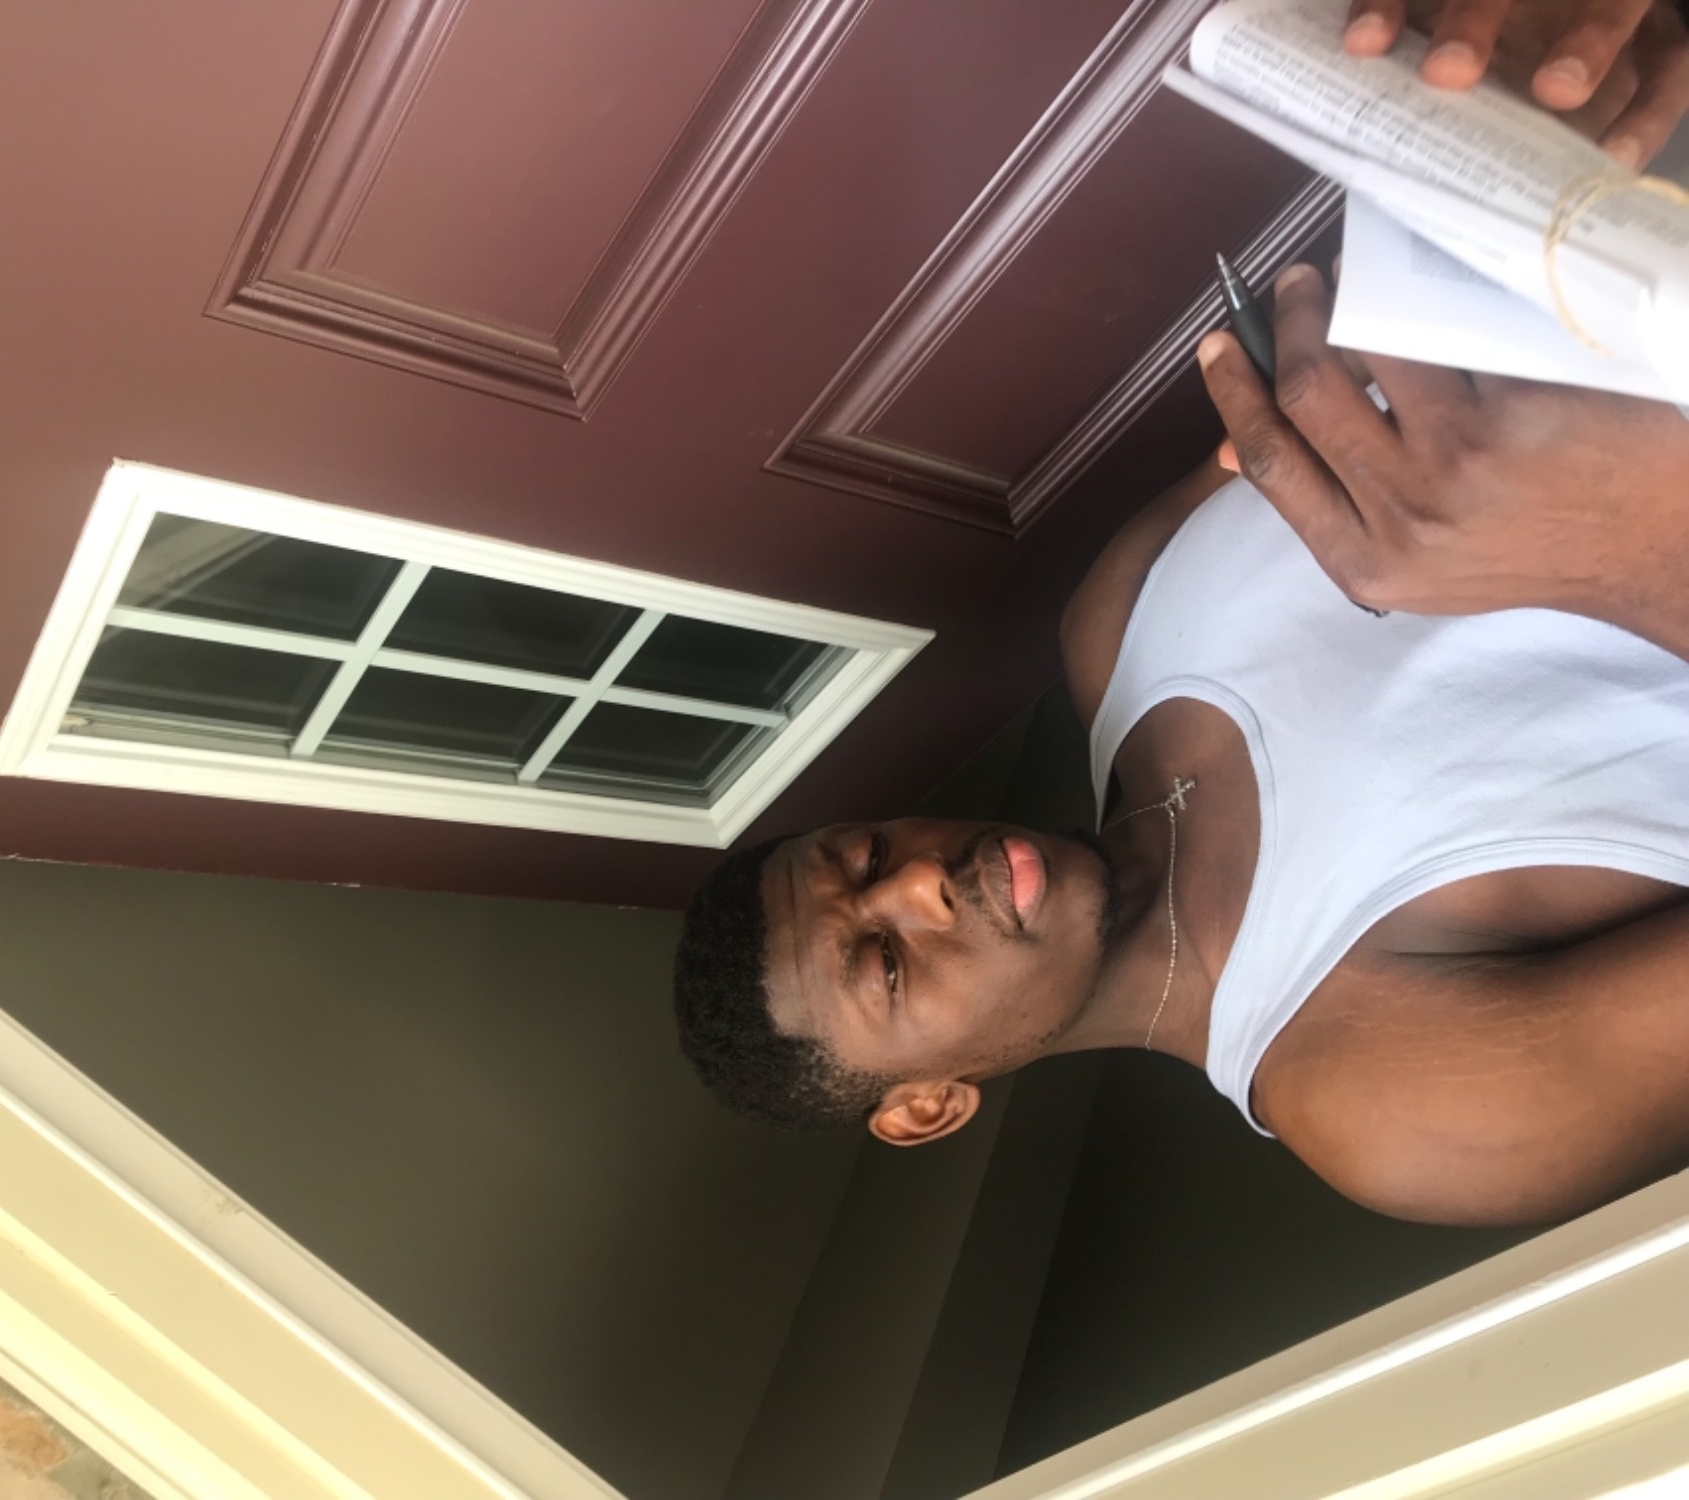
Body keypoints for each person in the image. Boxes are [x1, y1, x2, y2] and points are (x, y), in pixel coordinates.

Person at [672, 0, 1689, 1229]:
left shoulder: (1114, 618)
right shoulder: (1386, 1100)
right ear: (926, 1106)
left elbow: (1409, 368)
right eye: (881, 964)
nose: (921, 883)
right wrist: (1638, 556)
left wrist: (1512, 116)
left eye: (869, 856)